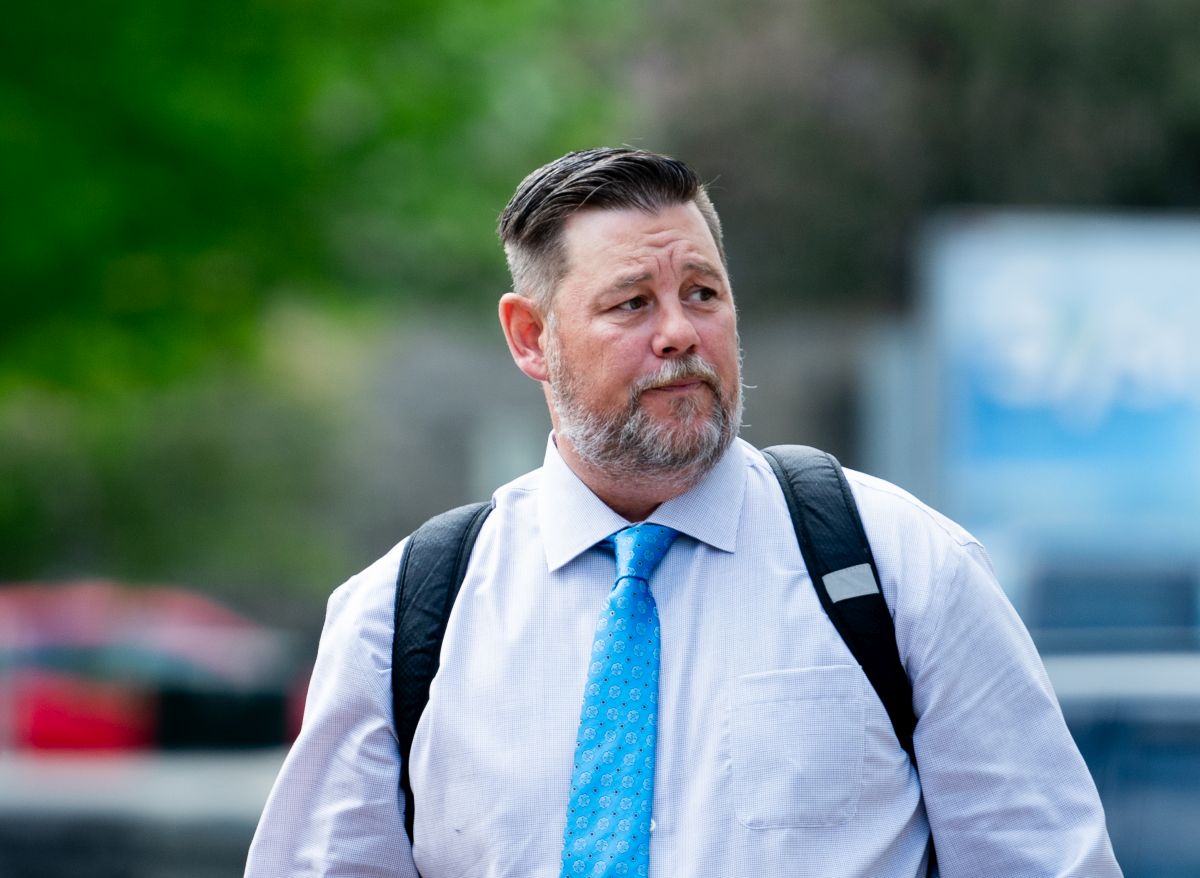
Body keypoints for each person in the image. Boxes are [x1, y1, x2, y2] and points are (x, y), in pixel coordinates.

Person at [245, 148, 1122, 877]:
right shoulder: (400, 615)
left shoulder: (896, 566)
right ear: (528, 337)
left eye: (702, 293)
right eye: (633, 303)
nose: (679, 332)